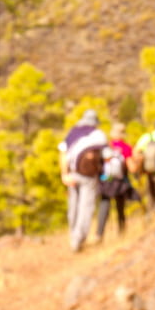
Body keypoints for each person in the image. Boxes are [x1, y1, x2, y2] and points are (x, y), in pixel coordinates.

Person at [58, 108, 107, 252]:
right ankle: (78, 241)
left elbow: (62, 153)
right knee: (85, 208)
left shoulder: (72, 133)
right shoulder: (98, 135)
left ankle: (73, 236)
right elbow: (107, 155)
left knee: (73, 207)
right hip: (89, 177)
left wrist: (64, 174)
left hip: (72, 174)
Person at [95, 122, 139, 241]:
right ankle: (122, 234)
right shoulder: (126, 148)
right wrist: (138, 160)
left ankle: (99, 234)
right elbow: (132, 168)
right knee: (120, 208)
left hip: (105, 181)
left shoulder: (105, 146)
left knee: (104, 206)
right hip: (120, 182)